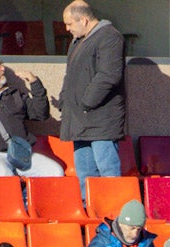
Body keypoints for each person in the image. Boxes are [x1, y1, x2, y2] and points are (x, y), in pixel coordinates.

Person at [59, 1, 127, 195]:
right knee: (85, 172)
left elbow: (108, 75)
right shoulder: (78, 41)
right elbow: (70, 74)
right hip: (80, 118)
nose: (67, 28)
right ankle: (88, 210)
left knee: (107, 169)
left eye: (70, 23)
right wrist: (66, 100)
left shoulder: (109, 37)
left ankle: (112, 211)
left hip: (100, 119)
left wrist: (86, 102)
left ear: (84, 20)